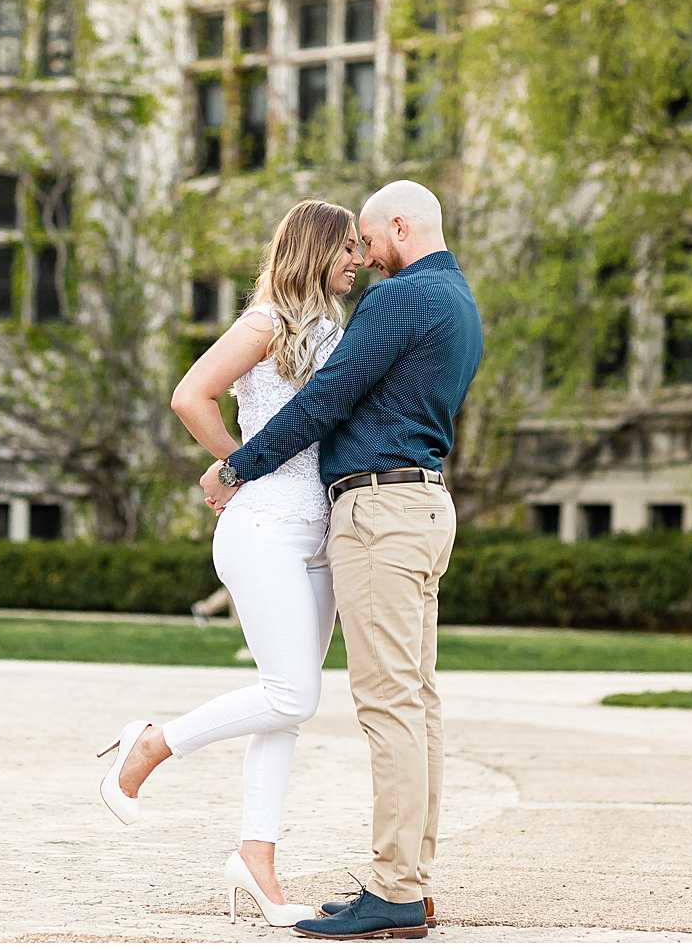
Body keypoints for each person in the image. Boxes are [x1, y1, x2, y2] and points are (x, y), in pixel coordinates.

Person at [206, 180, 481, 941]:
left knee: (390, 705)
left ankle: (394, 890)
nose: (362, 256)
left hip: (380, 515)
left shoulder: (397, 300)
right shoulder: (461, 303)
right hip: (426, 507)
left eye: (368, 239)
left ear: (400, 226)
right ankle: (413, 884)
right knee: (418, 703)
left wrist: (237, 469)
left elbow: (327, 397)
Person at [95, 199, 362, 928]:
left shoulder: (334, 331)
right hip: (265, 527)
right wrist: (234, 465)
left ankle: (257, 860)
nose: (358, 260)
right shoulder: (265, 323)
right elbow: (190, 394)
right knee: (293, 695)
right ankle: (151, 744)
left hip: (319, 535)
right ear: (313, 249)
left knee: (288, 707)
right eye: (346, 248)